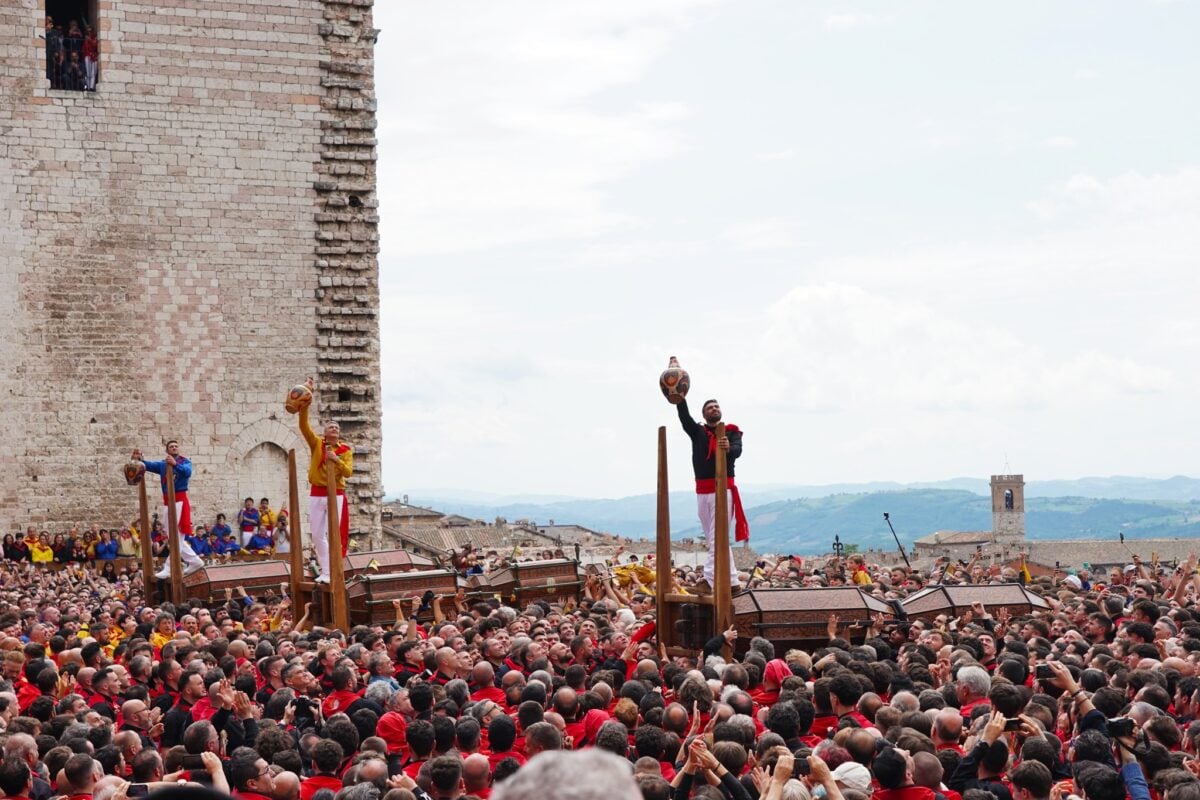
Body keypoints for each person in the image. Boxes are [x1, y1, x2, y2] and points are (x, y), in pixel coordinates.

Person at [675, 396, 747, 591]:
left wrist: (728, 448)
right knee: (714, 539)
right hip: (702, 490)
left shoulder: (731, 432)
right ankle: (732, 581)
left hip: (722, 489)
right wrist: (679, 396)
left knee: (717, 537)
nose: (714, 408)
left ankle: (709, 580)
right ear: (704, 413)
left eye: (717, 406)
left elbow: (738, 451)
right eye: (710, 407)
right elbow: (684, 417)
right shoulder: (698, 432)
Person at [296, 377, 353, 584]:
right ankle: (326, 571)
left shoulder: (345, 451)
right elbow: (304, 427)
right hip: (317, 492)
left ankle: (336, 570)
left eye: (337, 428)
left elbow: (348, 473)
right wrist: (305, 405)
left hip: (335, 493)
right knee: (317, 534)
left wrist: (336, 460)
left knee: (334, 534)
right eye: (331, 427)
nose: (334, 429)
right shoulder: (317, 444)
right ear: (325, 432)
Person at [132, 440, 204, 578]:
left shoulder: (185, 462)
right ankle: (195, 561)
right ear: (167, 450)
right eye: (171, 447)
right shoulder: (162, 465)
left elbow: (187, 472)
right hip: (168, 502)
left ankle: (169, 567)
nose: (174, 448)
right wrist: (140, 459)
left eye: (176, 446)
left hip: (179, 501)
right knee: (173, 536)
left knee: (177, 537)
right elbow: (148, 465)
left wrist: (175, 464)